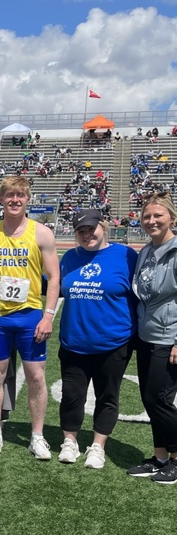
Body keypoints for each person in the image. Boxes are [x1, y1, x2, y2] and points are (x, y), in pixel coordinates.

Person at [0, 175, 60, 459]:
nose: (15, 200)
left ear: (27, 199)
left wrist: (48, 315)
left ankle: (37, 436)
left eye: (20, 195)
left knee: (36, 377)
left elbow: (54, 276)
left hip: (30, 317)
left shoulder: (41, 233)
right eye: (9, 195)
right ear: (0, 199)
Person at [57, 209, 137, 468]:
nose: (86, 234)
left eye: (91, 229)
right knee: (71, 395)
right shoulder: (70, 257)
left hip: (113, 343)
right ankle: (70, 441)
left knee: (107, 396)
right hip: (74, 342)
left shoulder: (126, 256)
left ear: (103, 227)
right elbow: (51, 288)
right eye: (80, 230)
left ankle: (98, 446)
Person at [128, 193, 177, 483]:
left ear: (171, 217)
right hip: (147, 336)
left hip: (168, 337)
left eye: (158, 215)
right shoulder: (146, 251)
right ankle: (160, 457)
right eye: (147, 216)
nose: (152, 221)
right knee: (150, 401)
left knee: (157, 398)